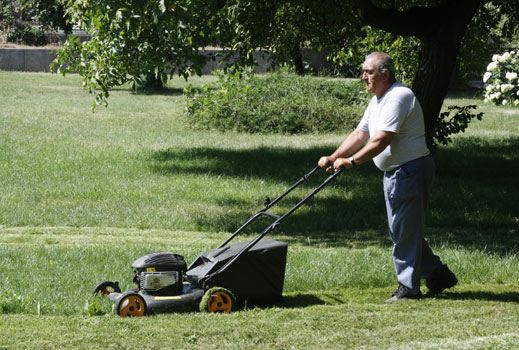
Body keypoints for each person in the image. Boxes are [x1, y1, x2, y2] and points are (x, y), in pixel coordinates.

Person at [318, 52, 457, 302]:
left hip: (409, 170)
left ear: (385, 74)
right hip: (397, 172)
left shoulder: (398, 96)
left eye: (368, 72)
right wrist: (333, 155)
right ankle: (437, 273)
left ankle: (408, 289)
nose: (363, 77)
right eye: (363, 72)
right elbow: (361, 134)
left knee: (404, 231)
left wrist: (351, 161)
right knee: (403, 230)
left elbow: (382, 139)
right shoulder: (378, 100)